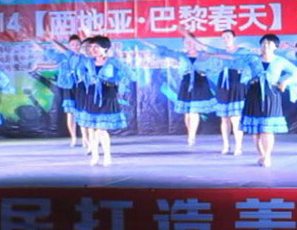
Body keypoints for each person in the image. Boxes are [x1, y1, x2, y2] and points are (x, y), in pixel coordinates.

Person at [182, 29, 250, 155]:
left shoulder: (243, 51)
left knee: (236, 118)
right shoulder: (219, 51)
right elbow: (203, 46)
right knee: (224, 118)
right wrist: (187, 35)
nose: (226, 39)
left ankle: (238, 146)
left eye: (228, 36)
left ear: (234, 38)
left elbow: (234, 58)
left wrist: (214, 55)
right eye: (223, 37)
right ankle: (226, 145)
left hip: (236, 83)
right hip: (223, 84)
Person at [240, 34, 297, 167]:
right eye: (263, 43)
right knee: (256, 131)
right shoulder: (252, 59)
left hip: (271, 95)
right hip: (254, 94)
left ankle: (267, 156)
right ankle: (262, 155)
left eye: (269, 43)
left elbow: (296, 72)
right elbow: (242, 71)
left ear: (276, 46)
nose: (266, 45)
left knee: (267, 129)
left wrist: (285, 82)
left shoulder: (280, 61)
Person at [142, 35, 219, 146]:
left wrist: (205, 71)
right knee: (187, 111)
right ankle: (190, 134)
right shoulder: (181, 55)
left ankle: (192, 136)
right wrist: (147, 43)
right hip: (186, 83)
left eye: (191, 41)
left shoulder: (203, 54)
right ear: (183, 44)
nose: (189, 44)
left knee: (194, 111)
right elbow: (165, 51)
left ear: (195, 42)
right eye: (186, 42)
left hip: (200, 83)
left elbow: (215, 61)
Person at [74, 35, 131, 166]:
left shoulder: (113, 62)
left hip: (107, 95)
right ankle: (95, 155)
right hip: (92, 95)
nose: (93, 49)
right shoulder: (88, 62)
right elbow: (79, 70)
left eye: (96, 47)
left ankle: (107, 155)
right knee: (93, 129)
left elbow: (130, 74)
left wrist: (116, 83)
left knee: (101, 129)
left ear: (105, 48)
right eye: (91, 47)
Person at [31, 34, 82, 147]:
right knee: (70, 113)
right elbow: (49, 55)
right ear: (69, 46)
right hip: (68, 87)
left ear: (81, 46)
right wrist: (36, 44)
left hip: (82, 87)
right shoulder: (62, 57)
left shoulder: (83, 58)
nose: (75, 46)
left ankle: (87, 139)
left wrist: (53, 40)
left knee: (83, 112)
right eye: (73, 45)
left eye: (77, 44)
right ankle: (73, 137)